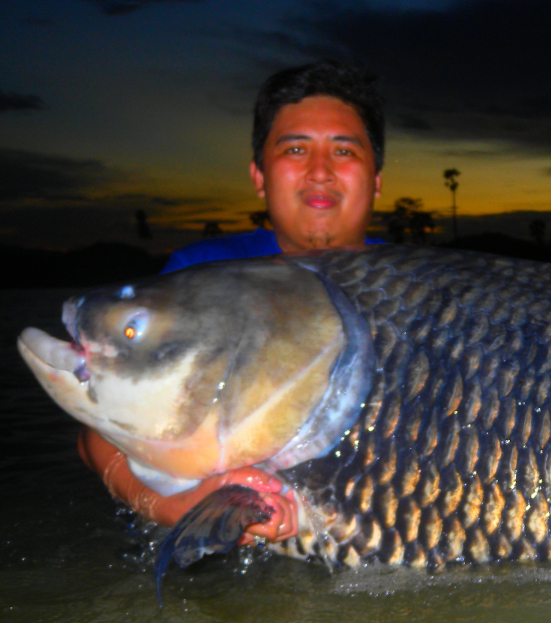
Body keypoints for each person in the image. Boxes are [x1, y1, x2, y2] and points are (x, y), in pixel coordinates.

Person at [80, 59, 388, 544]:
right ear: (260, 176)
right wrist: (173, 510)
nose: (320, 171)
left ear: (375, 179)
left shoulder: (432, 294)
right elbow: (101, 431)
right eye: (295, 149)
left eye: (344, 150)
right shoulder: (199, 280)